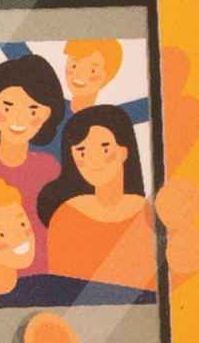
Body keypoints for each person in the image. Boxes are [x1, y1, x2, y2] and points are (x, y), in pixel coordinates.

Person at [42, 105, 162, 292]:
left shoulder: (149, 214)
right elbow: (61, 289)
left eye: (105, 149)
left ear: (124, 151)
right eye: (82, 152)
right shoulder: (66, 216)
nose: (93, 161)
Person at [0, 50, 71, 225]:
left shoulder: (49, 168)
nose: (18, 119)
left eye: (32, 111)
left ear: (48, 115)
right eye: (8, 107)